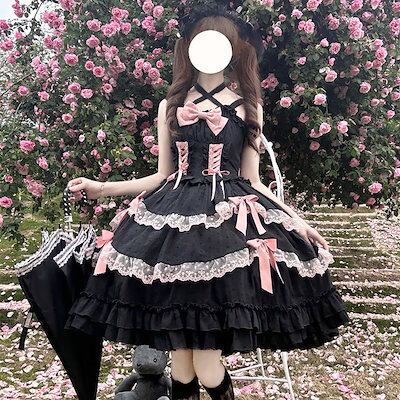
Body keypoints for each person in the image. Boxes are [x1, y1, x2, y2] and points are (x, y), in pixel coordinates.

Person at [65, 6, 350, 400]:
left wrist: (296, 221)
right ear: (189, 48)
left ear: (234, 50)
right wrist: (101, 188)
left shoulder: (248, 106)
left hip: (227, 224)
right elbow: (162, 175)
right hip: (173, 221)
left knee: (204, 359)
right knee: (181, 360)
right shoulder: (171, 105)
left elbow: (253, 180)